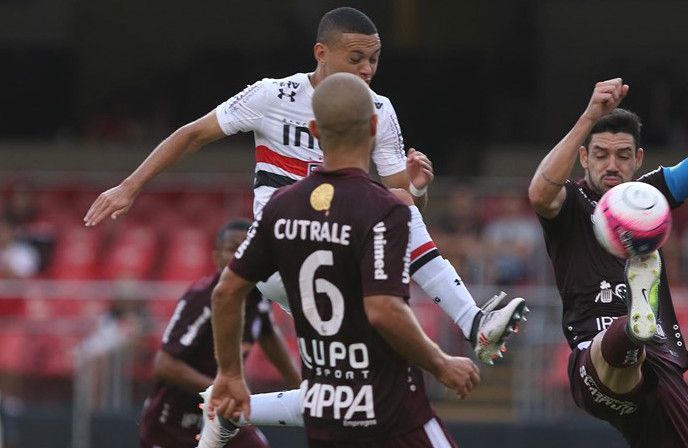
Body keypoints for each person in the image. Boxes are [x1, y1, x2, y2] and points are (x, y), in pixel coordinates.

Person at [83, 6, 527, 365]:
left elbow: (401, 205)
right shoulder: (272, 96)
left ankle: (231, 411)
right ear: (321, 53)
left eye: (373, 59)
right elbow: (193, 133)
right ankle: (470, 324)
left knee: (352, 382)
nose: (367, 69)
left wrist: (417, 191)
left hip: (331, 245)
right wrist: (129, 186)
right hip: (279, 251)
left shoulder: (380, 110)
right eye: (356, 58)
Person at [204, 73, 480, 447]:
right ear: (372, 126)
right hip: (390, 413)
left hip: (325, 413)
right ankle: (473, 316)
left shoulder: (280, 207)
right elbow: (383, 309)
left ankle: (235, 412)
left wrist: (230, 375)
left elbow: (225, 293)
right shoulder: (385, 208)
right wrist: (441, 363)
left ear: (315, 130)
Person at [527, 48, 688, 447]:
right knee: (619, 351)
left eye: (621, 155)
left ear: (638, 159)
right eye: (599, 155)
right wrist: (589, 117)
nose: (610, 164)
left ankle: (638, 326)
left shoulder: (652, 194)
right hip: (593, 359)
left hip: (662, 363)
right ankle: (633, 325)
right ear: (584, 157)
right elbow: (539, 194)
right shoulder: (570, 203)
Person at [139, 219, 301, 448]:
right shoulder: (202, 299)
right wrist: (221, 389)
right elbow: (164, 365)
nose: (240, 255)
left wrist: (303, 386)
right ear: (216, 258)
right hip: (175, 423)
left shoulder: (259, 295)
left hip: (224, 412)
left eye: (246, 248)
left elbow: (269, 336)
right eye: (233, 248)